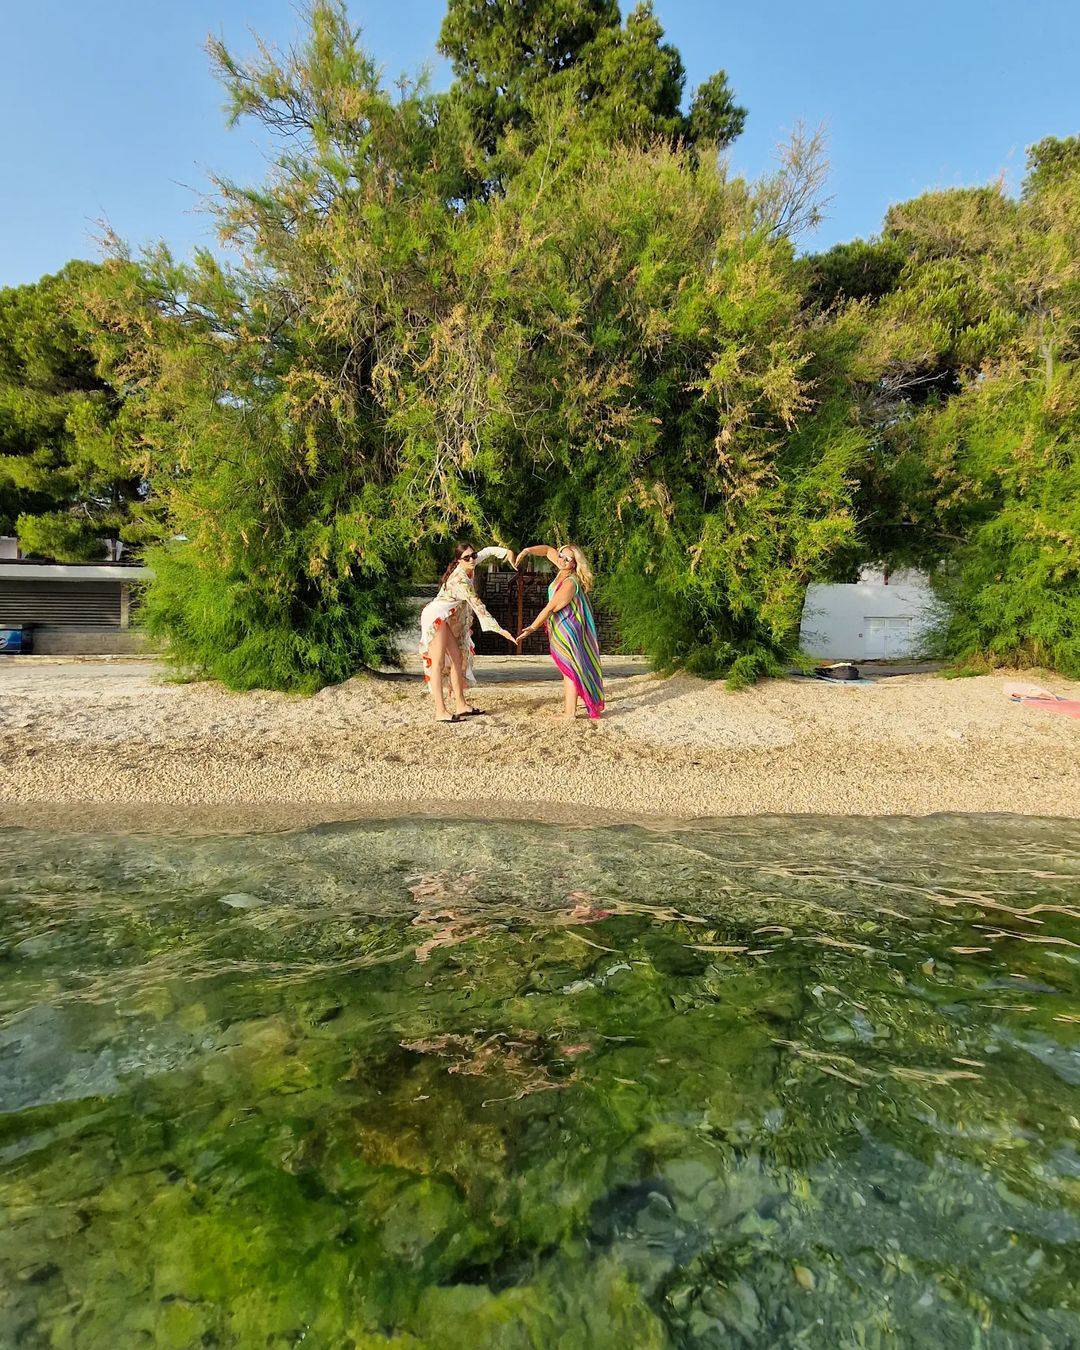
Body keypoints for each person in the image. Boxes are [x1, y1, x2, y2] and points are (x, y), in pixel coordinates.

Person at [419, 542, 518, 722]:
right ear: (458, 561)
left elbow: (487, 552)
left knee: (457, 657)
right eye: (467, 557)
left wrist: (507, 552)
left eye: (473, 555)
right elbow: (478, 606)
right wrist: (500, 630)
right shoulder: (460, 580)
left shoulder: (469, 563)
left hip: (444, 616)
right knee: (438, 663)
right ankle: (440, 711)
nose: (472, 559)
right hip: (435, 617)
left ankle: (461, 705)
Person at [515, 543, 605, 720]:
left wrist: (532, 627)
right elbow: (548, 550)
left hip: (568, 627)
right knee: (570, 667)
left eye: (567, 559)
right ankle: (578, 699)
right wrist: (527, 551)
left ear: (574, 564)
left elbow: (551, 607)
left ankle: (569, 712)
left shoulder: (570, 582)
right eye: (561, 556)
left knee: (568, 668)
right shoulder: (562, 569)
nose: (562, 560)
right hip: (560, 625)